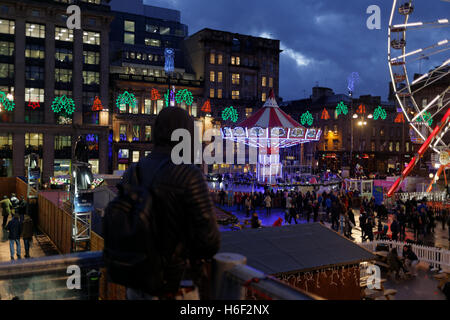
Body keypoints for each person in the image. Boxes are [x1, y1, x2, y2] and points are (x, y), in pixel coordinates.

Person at [121, 107, 220, 300]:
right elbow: (210, 242)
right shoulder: (189, 175)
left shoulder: (132, 172)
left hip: (136, 284)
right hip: (174, 285)